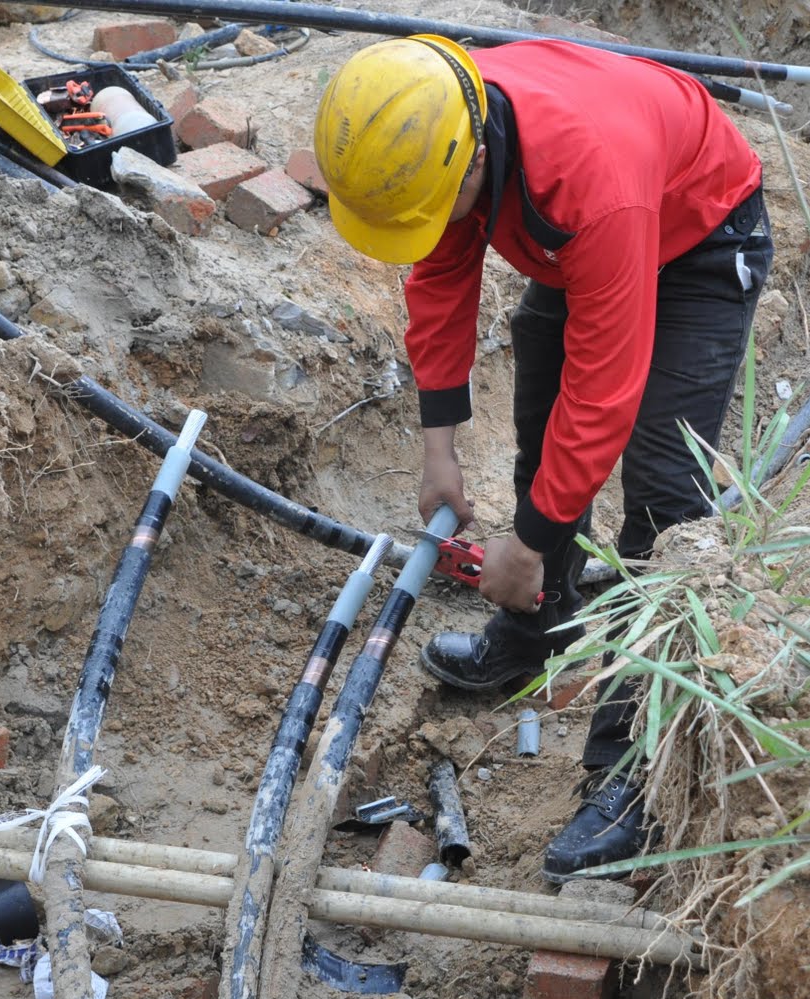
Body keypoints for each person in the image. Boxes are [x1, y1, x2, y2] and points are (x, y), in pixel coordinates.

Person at [313, 34, 774, 881]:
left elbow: (605, 393)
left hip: (699, 236)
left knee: (667, 500)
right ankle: (538, 630)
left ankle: (631, 772)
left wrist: (525, 544)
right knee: (540, 409)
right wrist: (437, 446)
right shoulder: (440, 121)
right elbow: (441, 278)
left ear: (478, 163)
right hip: (596, 224)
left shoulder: (588, 187)